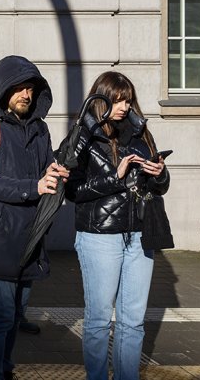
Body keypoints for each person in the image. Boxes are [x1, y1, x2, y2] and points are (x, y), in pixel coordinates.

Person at [0, 56, 67, 380]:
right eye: (19, 87)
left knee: (15, 314)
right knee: (0, 315)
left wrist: (54, 171)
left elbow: (44, 168)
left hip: (31, 235)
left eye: (31, 88)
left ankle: (4, 369)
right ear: (3, 88)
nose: (26, 94)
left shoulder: (40, 128)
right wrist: (32, 187)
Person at [65, 71, 169, 380]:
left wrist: (159, 173)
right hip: (100, 236)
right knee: (98, 319)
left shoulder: (141, 133)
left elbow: (159, 187)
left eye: (127, 99)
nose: (123, 106)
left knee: (133, 320)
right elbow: (73, 191)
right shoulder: (83, 134)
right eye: (116, 100)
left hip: (139, 232)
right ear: (101, 99)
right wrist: (116, 176)